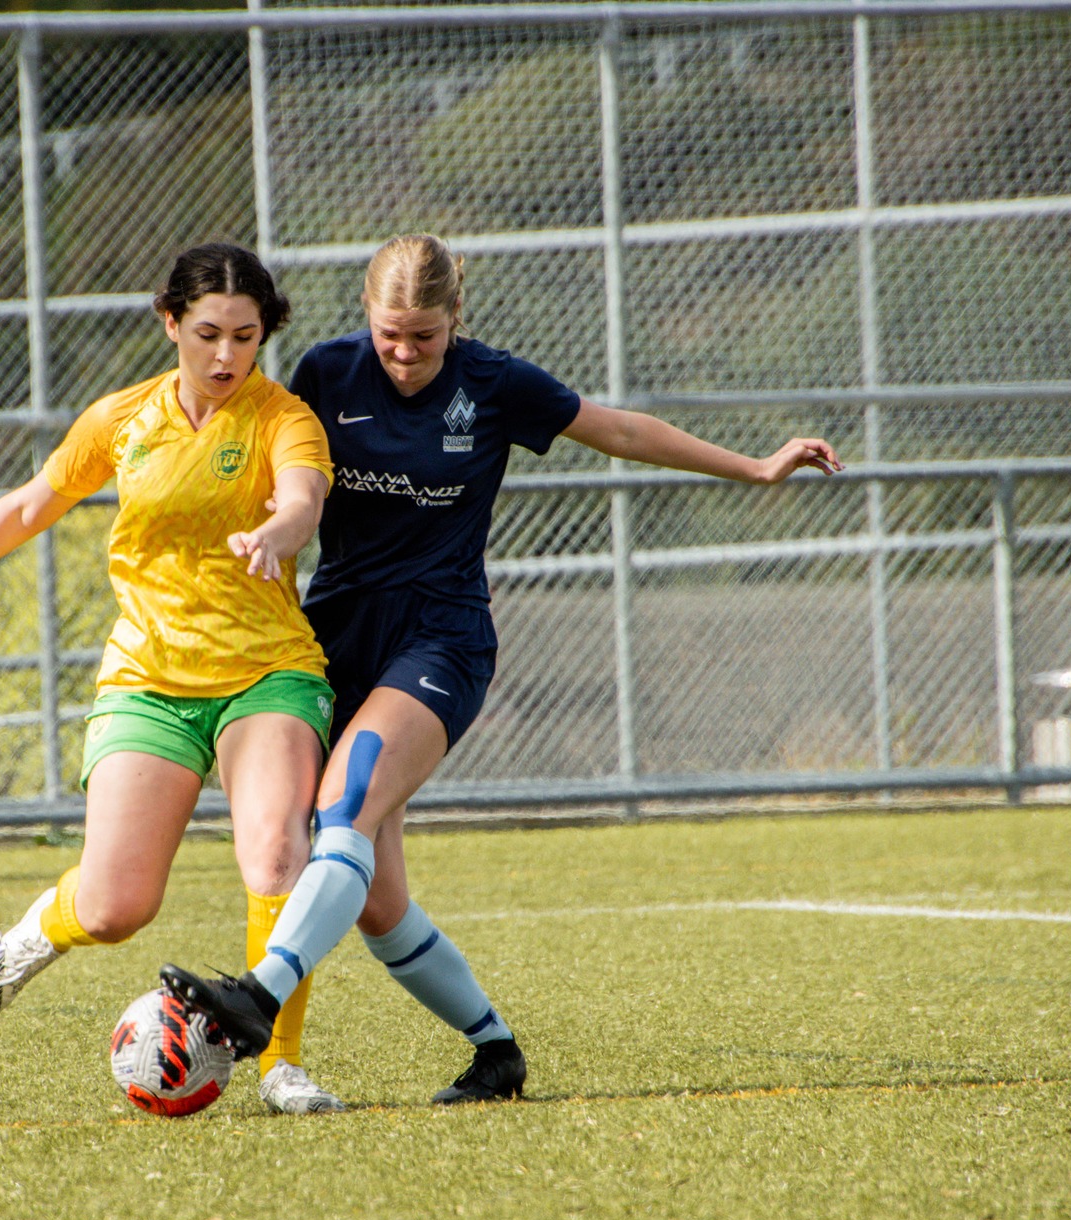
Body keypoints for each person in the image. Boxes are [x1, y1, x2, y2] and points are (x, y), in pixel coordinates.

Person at [162, 233, 842, 1104]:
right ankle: (498, 1054)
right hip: (332, 641)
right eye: (389, 335)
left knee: (346, 808)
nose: (405, 355)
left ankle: (256, 1001)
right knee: (372, 899)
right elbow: (256, 459)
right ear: (365, 320)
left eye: (425, 337)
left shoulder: (494, 384)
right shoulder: (328, 374)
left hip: (440, 641)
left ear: (457, 321)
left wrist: (752, 466)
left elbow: (622, 429)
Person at [0, 242, 350, 1115]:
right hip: (148, 676)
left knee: (278, 855)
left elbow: (301, 500)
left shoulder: (282, 418)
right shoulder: (121, 419)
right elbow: (30, 506)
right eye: (209, 333)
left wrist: (277, 535)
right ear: (170, 322)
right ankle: (32, 934)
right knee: (113, 908)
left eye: (246, 337)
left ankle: (279, 1066)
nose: (226, 355)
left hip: (267, 672)